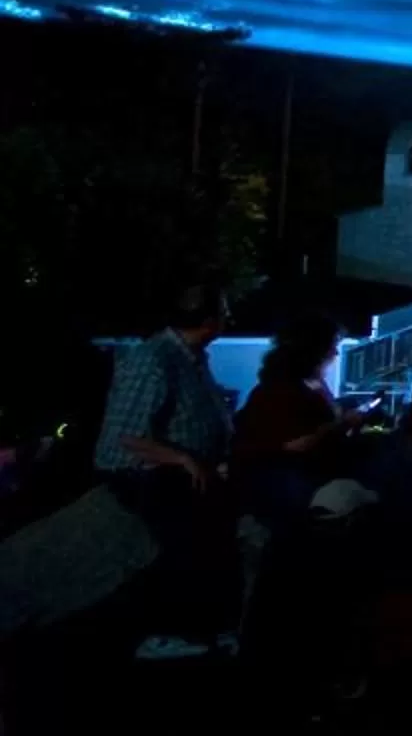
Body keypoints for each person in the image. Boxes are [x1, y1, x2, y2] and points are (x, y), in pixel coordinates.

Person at [93, 282, 240, 660]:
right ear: (208, 321)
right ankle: (165, 630)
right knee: (187, 529)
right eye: (223, 313)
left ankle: (211, 623)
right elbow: (126, 434)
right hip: (142, 470)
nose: (228, 319)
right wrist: (182, 459)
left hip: (188, 464)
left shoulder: (190, 356)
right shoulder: (155, 358)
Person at [232, 315, 345, 531]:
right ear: (316, 349)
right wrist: (338, 425)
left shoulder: (309, 384)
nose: (336, 353)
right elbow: (294, 444)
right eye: (333, 346)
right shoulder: (282, 390)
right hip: (287, 488)